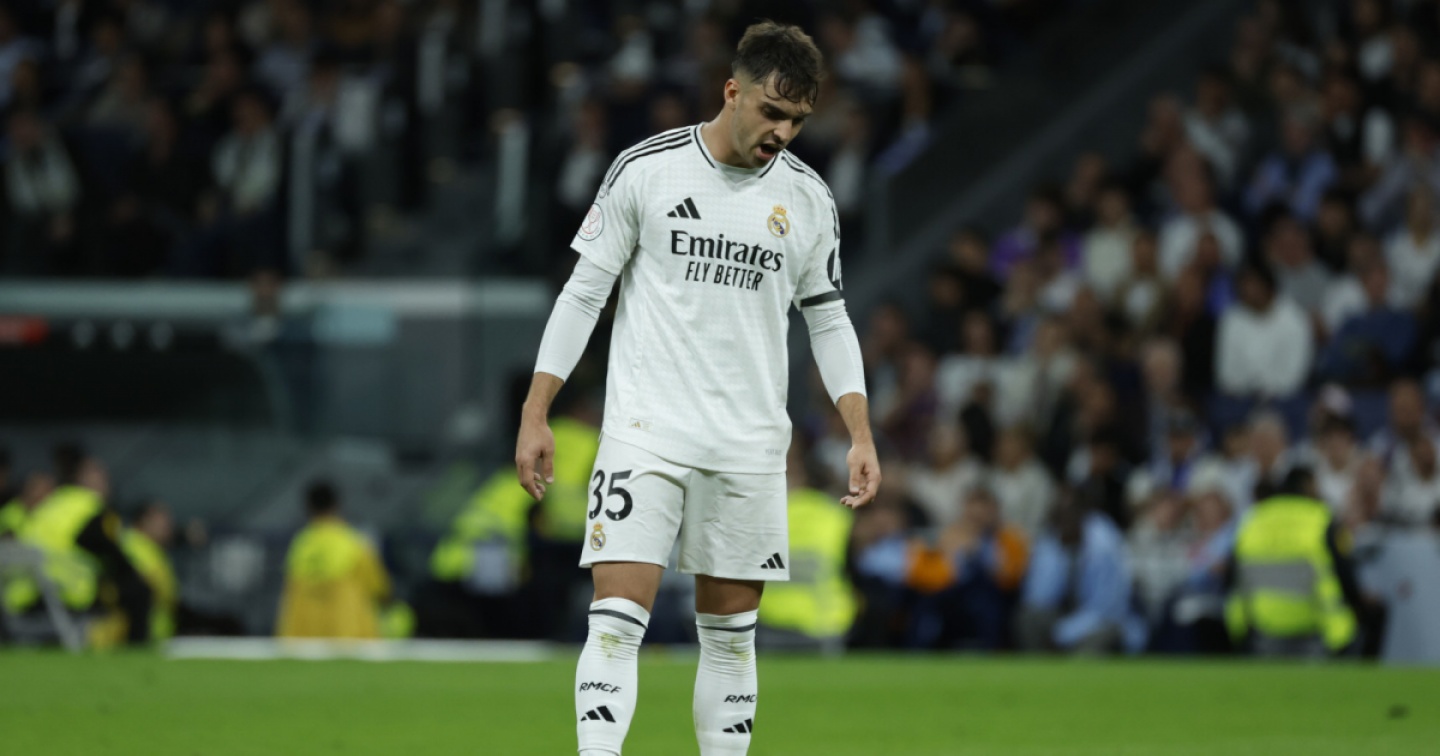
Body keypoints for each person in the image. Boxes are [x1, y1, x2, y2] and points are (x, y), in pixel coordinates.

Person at [513, 22, 879, 756]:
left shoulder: (809, 199)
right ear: (732, 91)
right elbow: (584, 293)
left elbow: (829, 319)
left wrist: (860, 432)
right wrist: (536, 410)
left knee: (731, 638)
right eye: (771, 112)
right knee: (616, 621)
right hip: (645, 430)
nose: (783, 133)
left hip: (749, 444)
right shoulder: (647, 170)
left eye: (798, 120)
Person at [1224, 468, 1362, 657]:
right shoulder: (1322, 518)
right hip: (1318, 631)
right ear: (1307, 486)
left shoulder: (1253, 518)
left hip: (1262, 631)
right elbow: (1345, 573)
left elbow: (1232, 575)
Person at [275, 481, 391, 639]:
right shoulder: (354, 542)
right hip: (348, 634)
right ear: (337, 505)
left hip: (307, 635)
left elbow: (290, 593)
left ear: (309, 507)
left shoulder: (300, 545)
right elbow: (379, 589)